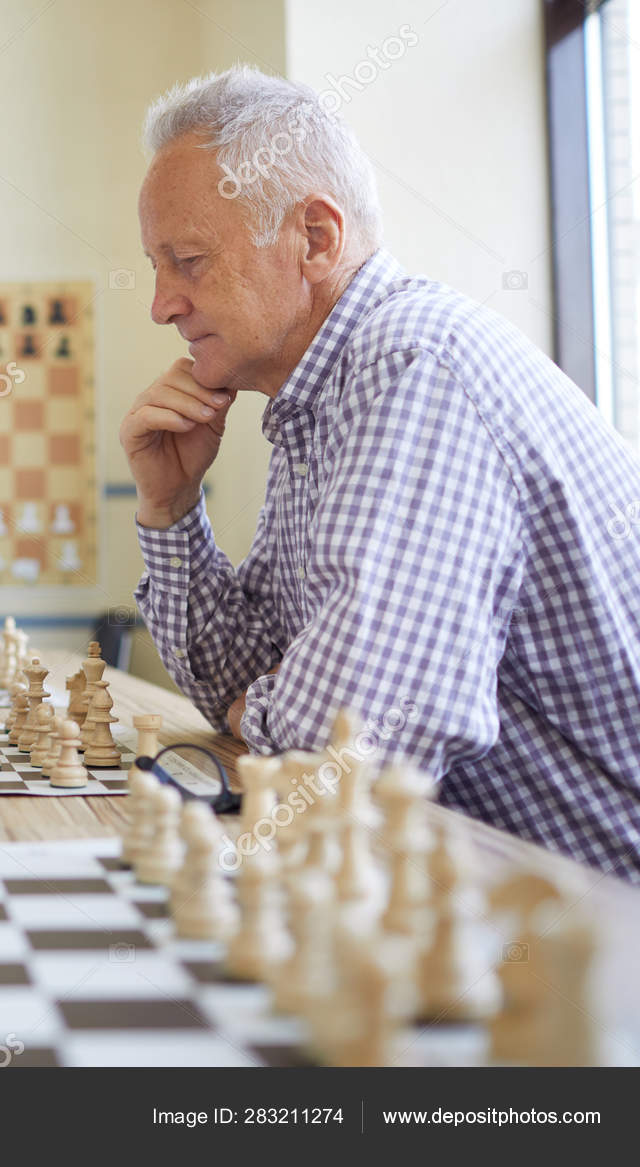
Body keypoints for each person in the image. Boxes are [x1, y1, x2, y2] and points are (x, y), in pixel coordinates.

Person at [121, 67, 640, 878]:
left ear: (317, 239)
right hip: (496, 902)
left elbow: (349, 743)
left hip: (597, 942)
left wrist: (267, 704)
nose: (161, 305)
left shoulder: (411, 368)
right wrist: (170, 504)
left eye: (188, 260)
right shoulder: (315, 401)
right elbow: (241, 673)